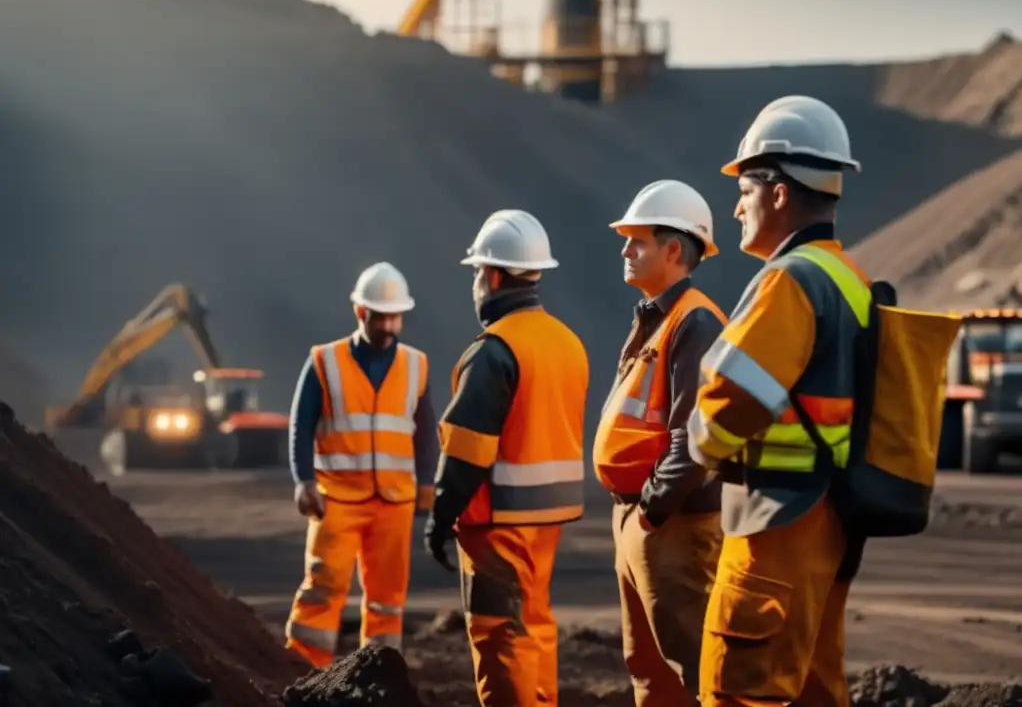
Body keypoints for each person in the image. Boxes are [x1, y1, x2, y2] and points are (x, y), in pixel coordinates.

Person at [687, 95, 865, 706]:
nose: (736, 205)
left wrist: (697, 444)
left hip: (774, 527)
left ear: (780, 193)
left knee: (739, 690)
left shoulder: (789, 282)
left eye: (745, 187)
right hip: (829, 523)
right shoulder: (849, 280)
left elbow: (728, 405)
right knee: (815, 690)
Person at [424, 209, 589, 706]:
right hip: (546, 523)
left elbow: (467, 451)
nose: (476, 283)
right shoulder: (566, 343)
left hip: (497, 527)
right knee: (534, 625)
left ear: (492, 276)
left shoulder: (495, 350)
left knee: (502, 636)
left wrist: (440, 515)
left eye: (477, 271)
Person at [593, 180, 727, 706]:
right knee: (648, 669)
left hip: (671, 524)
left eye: (638, 240)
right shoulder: (655, 317)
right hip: (639, 519)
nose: (625, 250)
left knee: (699, 671)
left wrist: (650, 511)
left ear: (674, 250)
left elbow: (693, 436)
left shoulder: (694, 323)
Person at [284, 261, 441, 667]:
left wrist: (427, 483)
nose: (389, 326)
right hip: (336, 497)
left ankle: (379, 672)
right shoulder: (325, 361)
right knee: (322, 587)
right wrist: (303, 480)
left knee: (388, 599)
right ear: (360, 313)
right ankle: (303, 666)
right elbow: (301, 424)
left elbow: (425, 432)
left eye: (395, 317)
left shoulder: (415, 365)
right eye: (380, 317)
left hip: (394, 500)